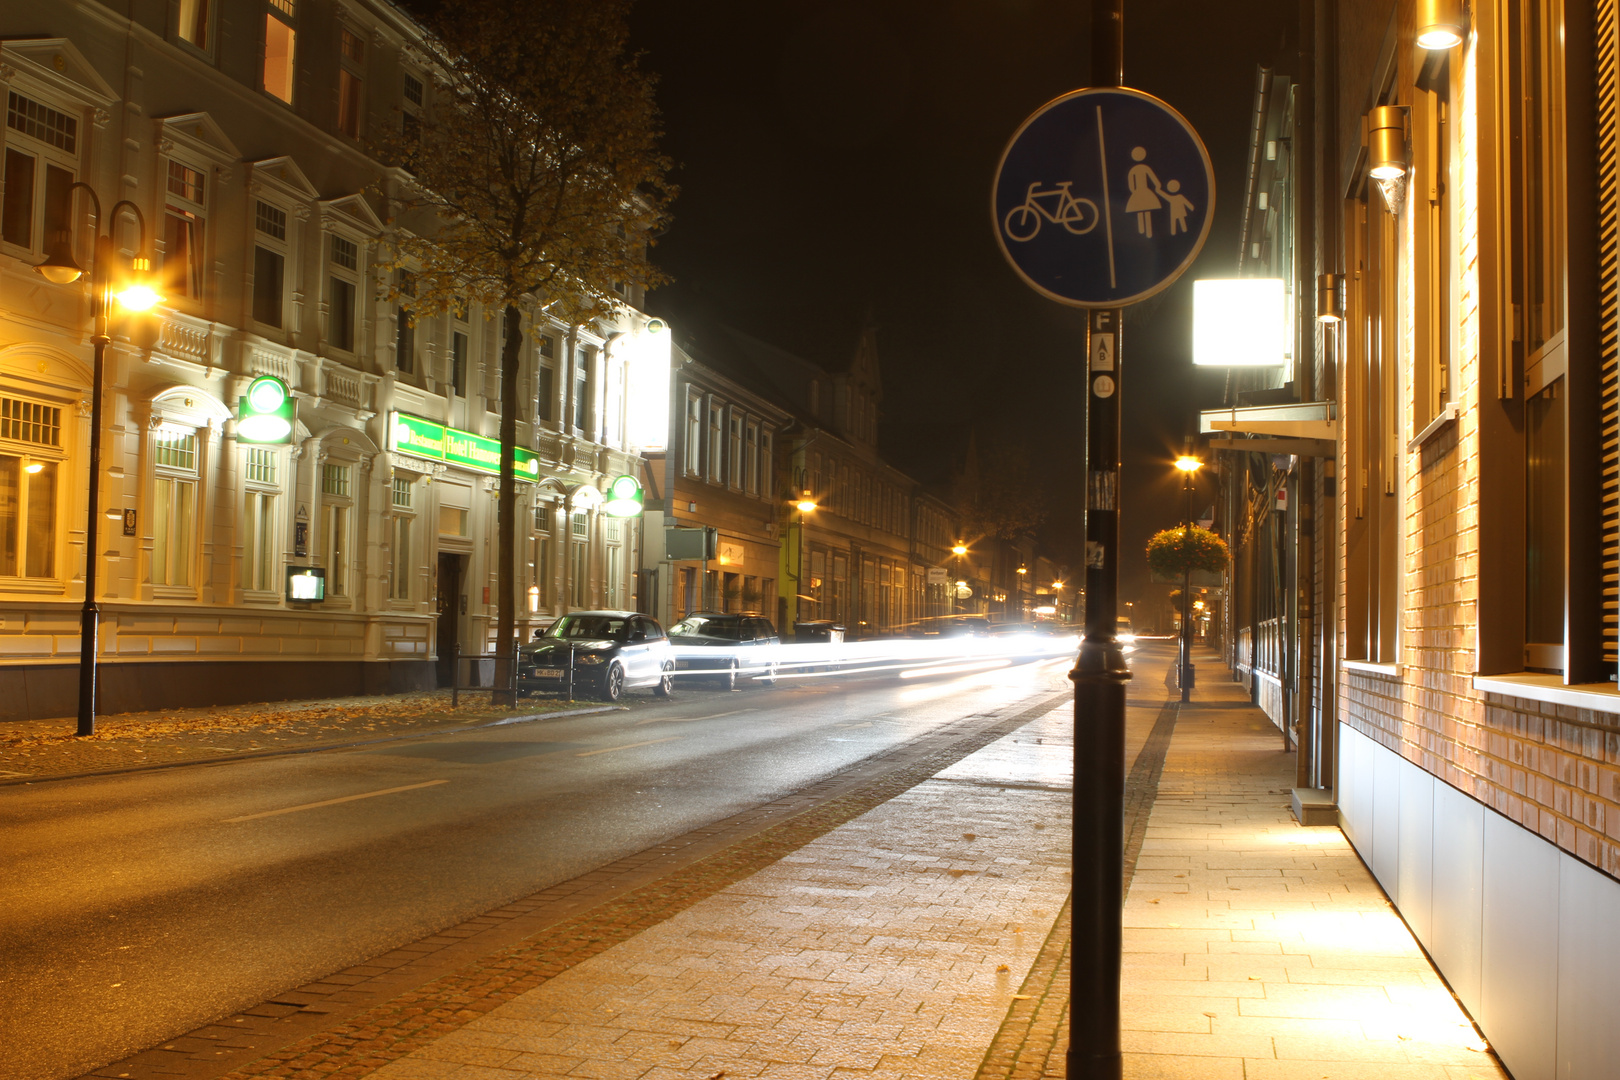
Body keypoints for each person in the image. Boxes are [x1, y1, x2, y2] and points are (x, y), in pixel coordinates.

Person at [1125, 146, 1163, 237]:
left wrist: (1134, 191)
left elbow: (1131, 184)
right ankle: (1145, 232)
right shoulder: (1144, 168)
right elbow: (1154, 179)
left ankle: (1143, 231)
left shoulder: (1133, 170)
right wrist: (1157, 185)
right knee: (1145, 210)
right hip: (1144, 191)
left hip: (1138, 192)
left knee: (1141, 211)